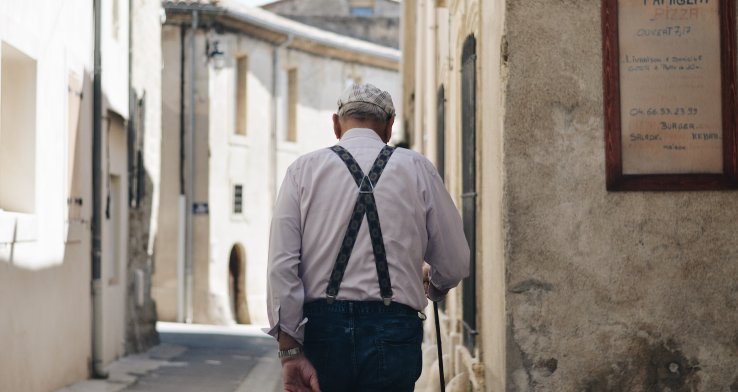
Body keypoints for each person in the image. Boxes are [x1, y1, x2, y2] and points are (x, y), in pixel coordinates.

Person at [266, 83, 470, 392]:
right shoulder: (418, 169)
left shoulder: (302, 172)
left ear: (336, 124)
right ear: (390, 126)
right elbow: (454, 263)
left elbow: (281, 267)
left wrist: (290, 351)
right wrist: (435, 286)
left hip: (323, 333)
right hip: (394, 332)